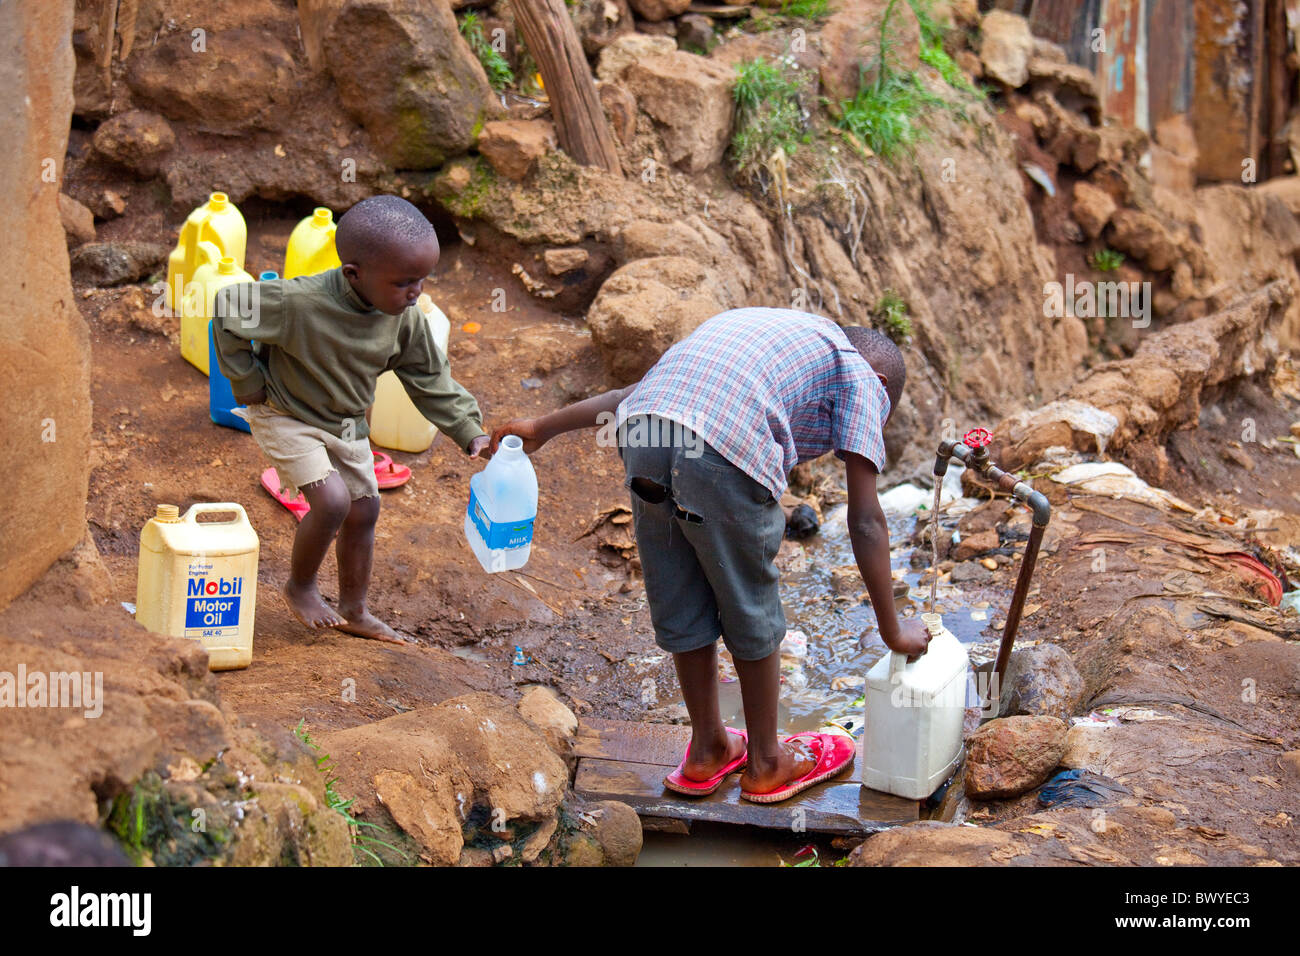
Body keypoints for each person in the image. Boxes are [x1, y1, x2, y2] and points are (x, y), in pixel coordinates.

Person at [490, 307, 930, 803]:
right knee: (749, 602)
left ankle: (707, 750)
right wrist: (894, 631)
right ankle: (767, 761)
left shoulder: (771, 337)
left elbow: (624, 397)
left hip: (644, 434)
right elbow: (866, 520)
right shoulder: (861, 375)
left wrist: (543, 427)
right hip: (724, 447)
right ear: (880, 382)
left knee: (680, 589)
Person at [213, 195, 489, 644]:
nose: (415, 292)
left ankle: (353, 609)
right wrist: (246, 383)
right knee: (333, 502)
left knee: (365, 508)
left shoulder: (403, 318)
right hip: (286, 414)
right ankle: (299, 587)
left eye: (421, 280)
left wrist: (468, 427)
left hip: (345, 424)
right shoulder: (297, 303)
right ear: (353, 275)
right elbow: (227, 306)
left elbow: (429, 377)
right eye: (403, 282)